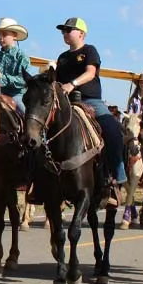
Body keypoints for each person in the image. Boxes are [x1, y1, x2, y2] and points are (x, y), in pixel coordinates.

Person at [52, 17, 126, 208]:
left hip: (90, 100)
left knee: (114, 131)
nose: (65, 33)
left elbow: (91, 73)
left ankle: (116, 178)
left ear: (81, 34)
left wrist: (72, 84)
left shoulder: (89, 51)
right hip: (66, 103)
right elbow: (57, 81)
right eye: (63, 31)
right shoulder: (62, 58)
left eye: (69, 30)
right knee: (40, 129)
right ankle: (39, 181)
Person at [0, 17, 31, 114]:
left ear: (15, 36)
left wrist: (1, 76)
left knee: (26, 114)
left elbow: (23, 81)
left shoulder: (22, 57)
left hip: (16, 95)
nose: (0, 38)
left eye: (4, 34)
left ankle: (32, 129)